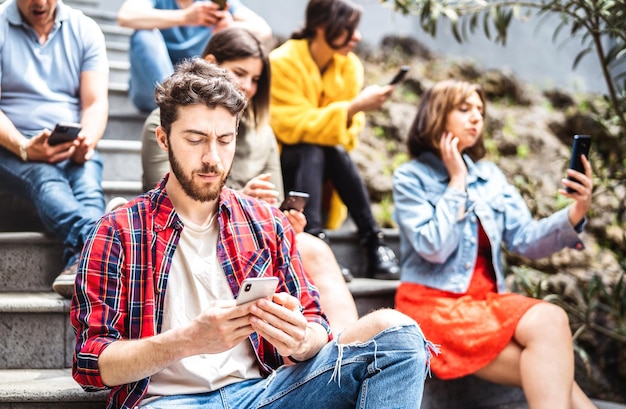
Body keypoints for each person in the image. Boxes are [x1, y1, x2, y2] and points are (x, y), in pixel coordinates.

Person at [70, 58, 433, 409]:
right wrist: (185, 342)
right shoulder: (118, 231)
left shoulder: (266, 222)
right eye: (195, 139)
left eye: (224, 140)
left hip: (264, 394)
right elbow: (90, 364)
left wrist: (301, 339)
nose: (212, 157)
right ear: (164, 139)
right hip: (169, 402)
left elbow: (316, 324)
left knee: (397, 333)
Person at [392, 79, 597, 408]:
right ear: (436, 115)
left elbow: (527, 241)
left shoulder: (490, 177)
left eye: (480, 111)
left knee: (551, 329)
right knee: (555, 372)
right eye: (464, 109)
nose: (477, 118)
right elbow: (434, 247)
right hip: (434, 306)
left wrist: (576, 212)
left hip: (485, 303)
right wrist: (457, 181)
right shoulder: (411, 178)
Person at [141, 27, 359, 333]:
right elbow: (168, 189)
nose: (247, 86)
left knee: (314, 248)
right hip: (192, 223)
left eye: (255, 79)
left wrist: (282, 219)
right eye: (240, 73)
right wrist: (242, 197)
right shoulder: (170, 119)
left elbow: (277, 201)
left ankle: (346, 351)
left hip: (253, 227)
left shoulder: (261, 129)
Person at [269, 0, 400, 280]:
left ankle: (372, 240)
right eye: (348, 28)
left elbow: (349, 135)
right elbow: (288, 126)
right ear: (320, 25)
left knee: (333, 151)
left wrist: (350, 114)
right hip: (285, 165)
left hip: (325, 166)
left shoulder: (349, 66)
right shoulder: (282, 62)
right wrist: (351, 109)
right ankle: (316, 242)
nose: (357, 36)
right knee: (310, 148)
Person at [0, 0, 109, 298]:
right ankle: (104, 238)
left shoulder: (85, 29)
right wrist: (24, 147)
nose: (39, 3)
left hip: (70, 142)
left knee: (87, 185)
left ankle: (79, 262)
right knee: (44, 178)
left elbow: (96, 102)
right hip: (10, 146)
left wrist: (87, 139)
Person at [117, 0, 271, 112]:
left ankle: (181, 106)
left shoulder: (213, 4)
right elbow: (125, 16)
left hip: (195, 91)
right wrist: (186, 17)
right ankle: (173, 105)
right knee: (143, 35)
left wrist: (230, 27)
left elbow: (263, 30)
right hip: (151, 89)